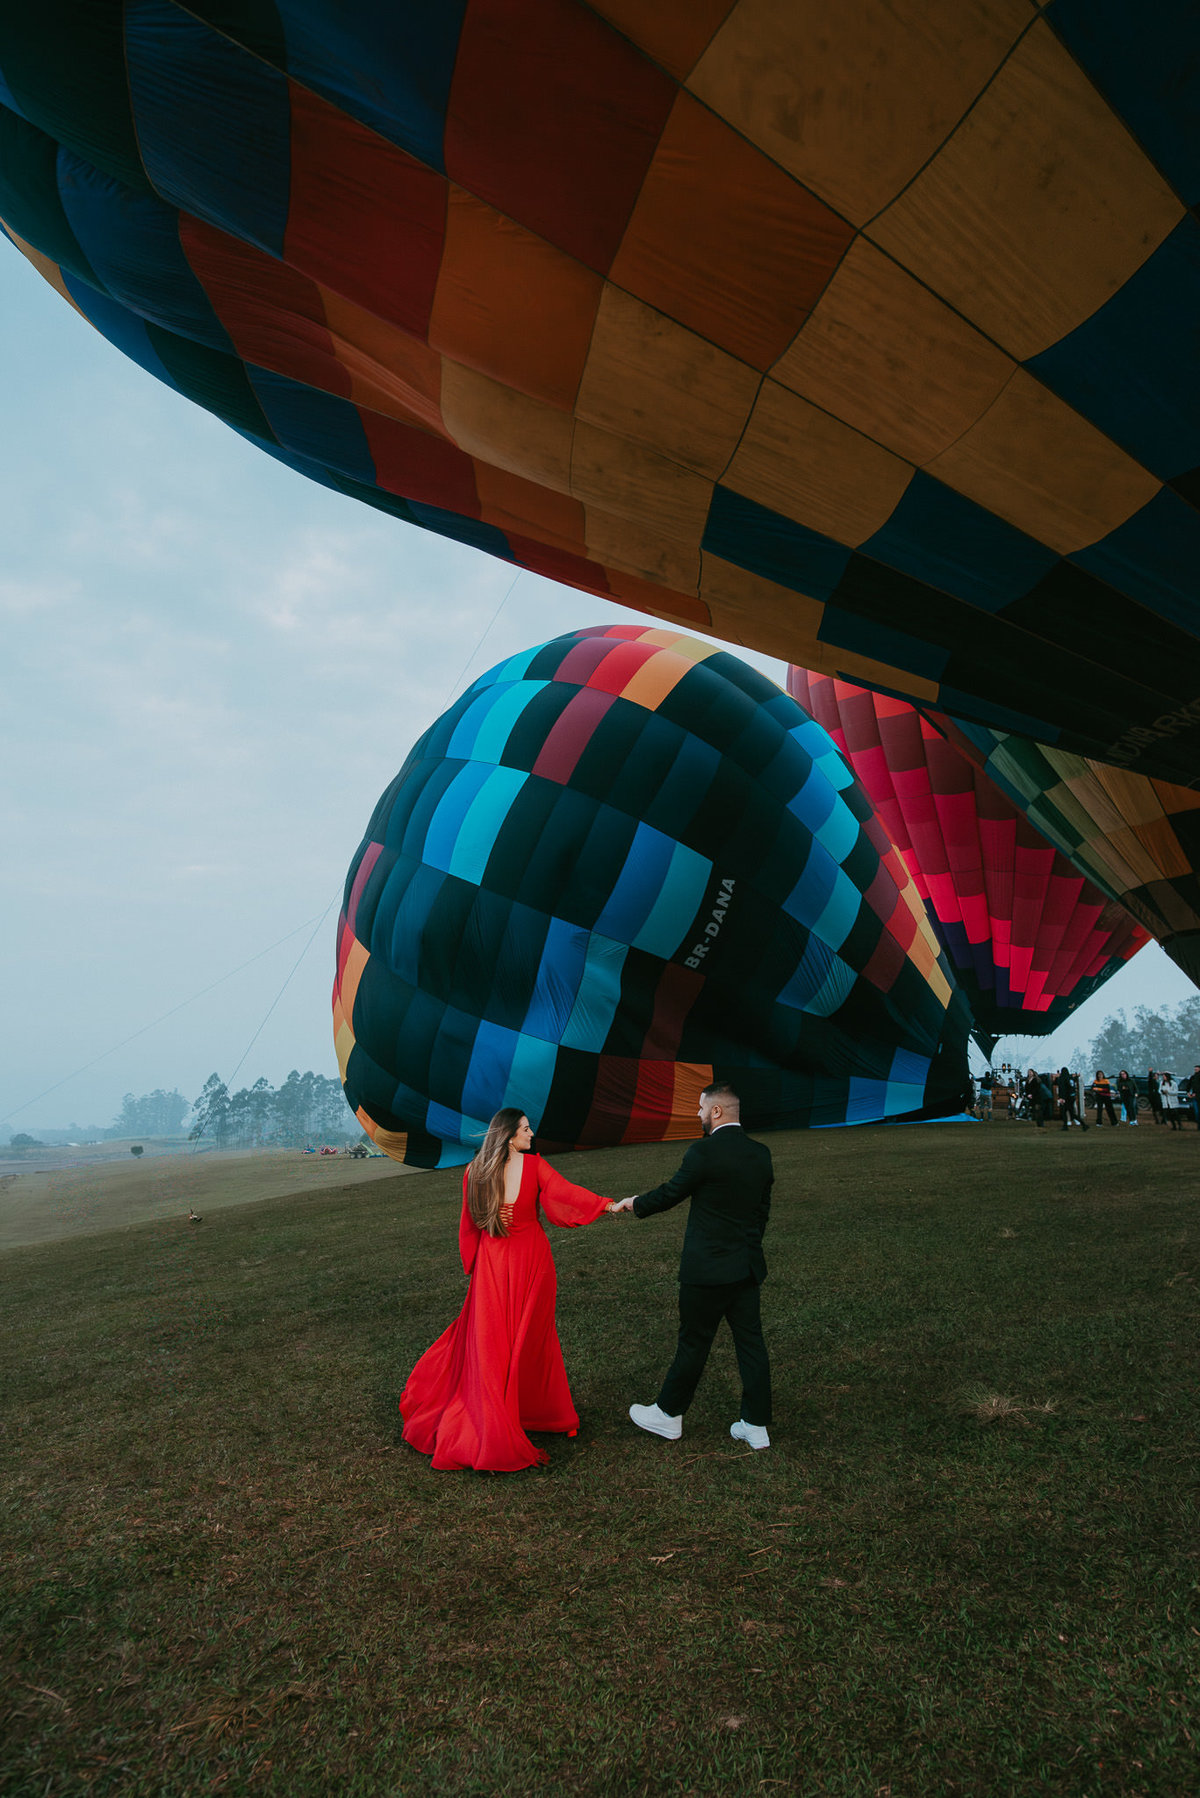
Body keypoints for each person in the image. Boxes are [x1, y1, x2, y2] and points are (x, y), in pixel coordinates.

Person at [400, 1109, 619, 1472]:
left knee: (497, 1342)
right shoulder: (529, 1166)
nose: (532, 1134)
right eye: (525, 1128)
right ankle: (525, 1415)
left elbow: (469, 1226)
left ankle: (529, 1412)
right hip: (527, 1260)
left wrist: (475, 1262)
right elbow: (564, 1194)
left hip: (497, 1263)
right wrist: (606, 1205)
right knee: (529, 1340)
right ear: (509, 1134)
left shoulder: (476, 1171)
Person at [612, 1081, 774, 1450]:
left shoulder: (703, 1153)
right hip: (746, 1268)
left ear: (716, 1111)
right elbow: (761, 1212)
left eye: (701, 1109)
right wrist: (746, 1249)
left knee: (694, 1343)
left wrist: (634, 1203)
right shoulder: (760, 1154)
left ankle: (668, 1415)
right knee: (751, 1344)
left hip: (706, 1272)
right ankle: (756, 1425)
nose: (698, 1115)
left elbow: (671, 1192)